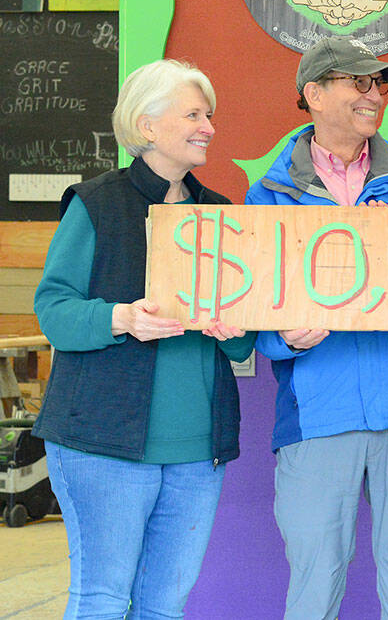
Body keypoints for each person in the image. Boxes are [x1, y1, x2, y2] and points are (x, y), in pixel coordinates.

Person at [33, 59, 255, 617]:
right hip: (100, 443)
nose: (207, 126)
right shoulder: (96, 204)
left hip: (198, 451)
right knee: (103, 600)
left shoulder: (221, 214)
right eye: (192, 114)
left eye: (209, 115)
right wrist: (122, 318)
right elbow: (53, 310)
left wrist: (234, 328)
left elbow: (240, 345)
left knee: (165, 607)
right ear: (147, 125)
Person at [246, 37, 388, 620]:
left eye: (379, 83)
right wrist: (283, 338)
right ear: (313, 94)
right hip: (317, 415)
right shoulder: (267, 197)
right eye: (357, 82)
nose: (373, 94)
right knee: (314, 588)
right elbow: (247, 316)